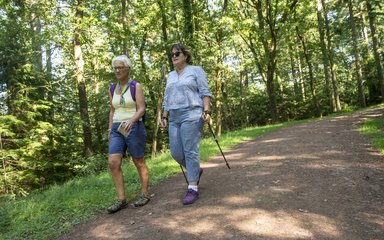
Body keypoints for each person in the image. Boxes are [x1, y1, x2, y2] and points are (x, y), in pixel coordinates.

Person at [161, 43, 212, 205]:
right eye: (172, 54)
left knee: (190, 150)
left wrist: (207, 111)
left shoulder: (196, 70)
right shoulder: (170, 75)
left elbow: (205, 92)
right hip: (174, 117)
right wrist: (164, 116)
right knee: (175, 152)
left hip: (192, 113)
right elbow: (166, 98)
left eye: (177, 53)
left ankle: (192, 188)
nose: (174, 56)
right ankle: (195, 170)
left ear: (186, 55)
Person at [107, 54, 150, 213]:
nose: (117, 70)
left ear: (127, 69)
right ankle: (121, 199)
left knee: (138, 161)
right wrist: (110, 128)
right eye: (115, 68)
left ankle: (144, 194)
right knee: (113, 162)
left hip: (133, 125)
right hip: (117, 128)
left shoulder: (135, 86)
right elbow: (112, 110)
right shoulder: (112, 88)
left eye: (120, 67)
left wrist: (132, 121)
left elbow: (141, 108)